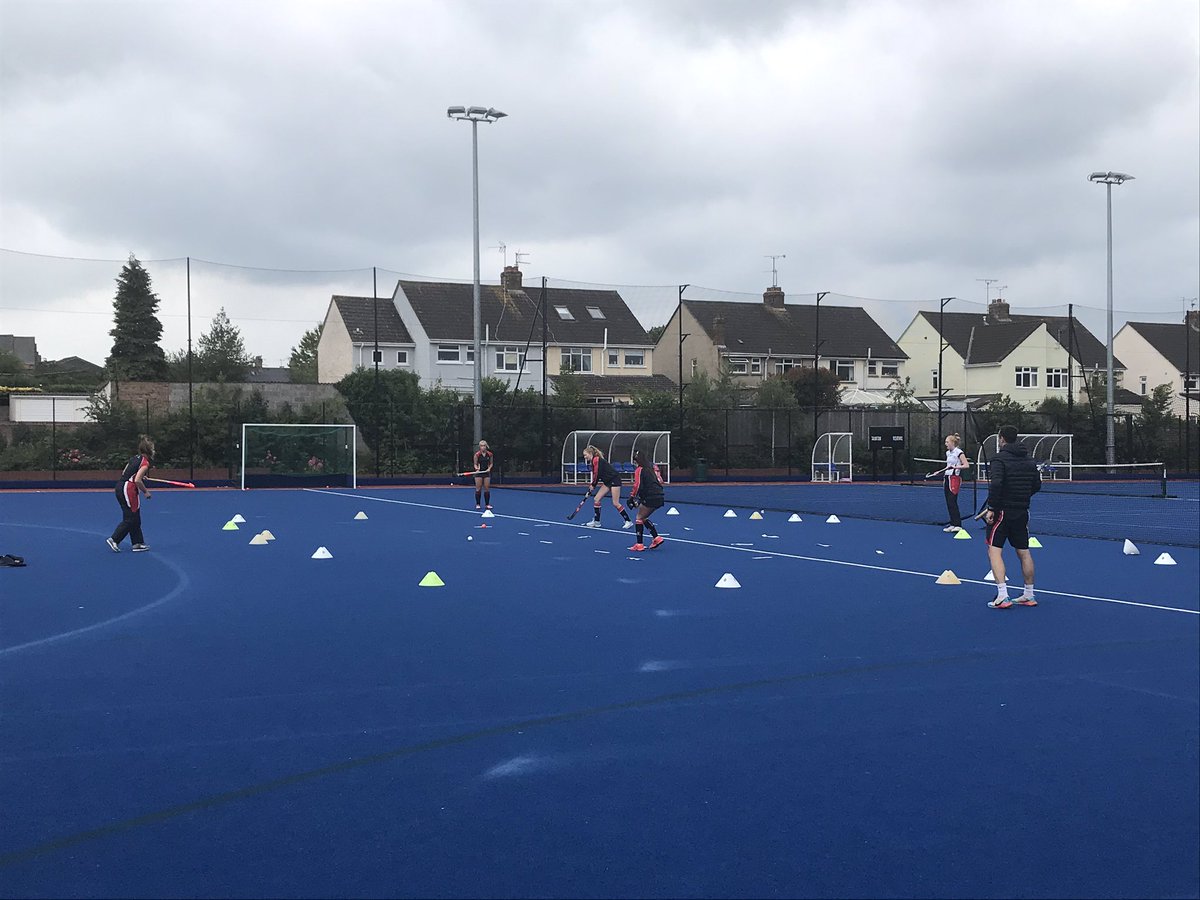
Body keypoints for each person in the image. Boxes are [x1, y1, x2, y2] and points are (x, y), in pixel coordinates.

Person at [982, 425, 1041, 609]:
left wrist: (991, 507)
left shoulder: (999, 459)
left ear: (1001, 439)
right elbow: (1036, 485)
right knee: (1023, 551)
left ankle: (1002, 596)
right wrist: (1022, 496)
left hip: (1002, 511)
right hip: (1022, 510)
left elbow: (997, 484)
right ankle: (1029, 594)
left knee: (994, 550)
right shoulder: (1029, 461)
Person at [107, 435, 154, 553]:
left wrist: (141, 475)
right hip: (128, 489)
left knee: (135, 516)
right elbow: (137, 480)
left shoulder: (134, 459)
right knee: (130, 518)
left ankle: (137, 543)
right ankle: (114, 539)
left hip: (121, 486)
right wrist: (146, 492)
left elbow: (125, 472)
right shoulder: (145, 463)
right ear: (149, 451)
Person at [582, 445, 633, 529]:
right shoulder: (593, 461)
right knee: (596, 499)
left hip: (614, 479)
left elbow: (596, 474)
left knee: (615, 503)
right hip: (607, 481)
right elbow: (597, 474)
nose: (585, 457)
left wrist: (593, 485)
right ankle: (597, 522)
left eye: (585, 455)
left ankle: (628, 521)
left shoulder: (596, 459)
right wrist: (592, 485)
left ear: (590, 453)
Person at [627, 449, 665, 551]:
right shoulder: (651, 468)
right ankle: (656, 538)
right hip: (659, 495)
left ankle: (639, 544)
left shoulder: (640, 469)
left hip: (651, 496)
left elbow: (638, 485)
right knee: (644, 517)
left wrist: (632, 497)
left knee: (639, 517)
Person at [938, 433, 970, 533]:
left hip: (954, 478)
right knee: (948, 502)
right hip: (947, 478)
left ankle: (958, 524)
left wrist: (955, 467)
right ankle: (952, 523)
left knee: (952, 501)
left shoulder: (959, 452)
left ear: (952, 442)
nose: (945, 444)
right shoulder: (948, 453)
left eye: (947, 442)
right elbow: (948, 465)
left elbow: (966, 465)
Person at [473, 440, 494, 510]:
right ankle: (478, 504)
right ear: (480, 447)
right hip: (479, 474)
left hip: (486, 473)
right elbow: (475, 464)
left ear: (486, 446)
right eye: (481, 446)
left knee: (487, 489)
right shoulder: (477, 455)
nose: (483, 447)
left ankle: (487, 504)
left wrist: (489, 468)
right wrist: (477, 469)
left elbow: (491, 463)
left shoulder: (490, 454)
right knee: (478, 489)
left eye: (484, 446)